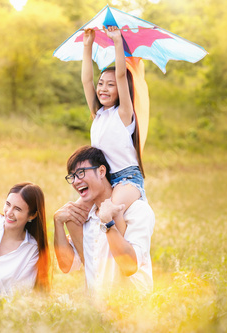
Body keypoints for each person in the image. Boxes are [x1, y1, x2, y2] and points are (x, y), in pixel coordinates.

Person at [54, 146, 155, 299]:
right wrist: (58, 224)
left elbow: (129, 266)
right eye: (72, 176)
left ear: (101, 171)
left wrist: (108, 223)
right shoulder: (85, 217)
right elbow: (66, 265)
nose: (76, 181)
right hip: (97, 315)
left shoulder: (137, 211)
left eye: (81, 173)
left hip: (133, 312)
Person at [80, 26, 147, 237]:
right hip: (104, 179)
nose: (103, 89)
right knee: (76, 212)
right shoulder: (98, 114)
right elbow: (86, 80)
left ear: (121, 90)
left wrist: (118, 42)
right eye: (101, 84)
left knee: (107, 213)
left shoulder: (124, 113)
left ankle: (127, 252)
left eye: (110, 85)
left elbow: (120, 75)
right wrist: (87, 46)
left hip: (128, 179)